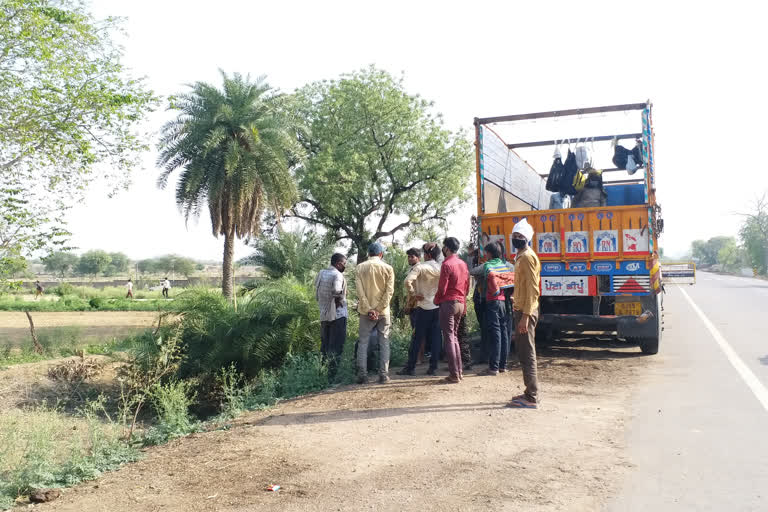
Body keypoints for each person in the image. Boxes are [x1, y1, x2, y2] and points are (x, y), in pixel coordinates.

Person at [507, 219, 542, 409]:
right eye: (515, 236)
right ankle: (529, 391)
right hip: (521, 308)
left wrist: (525, 317)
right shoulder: (520, 256)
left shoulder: (527, 257)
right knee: (523, 352)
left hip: (526, 312)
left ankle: (532, 396)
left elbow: (533, 290)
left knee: (527, 353)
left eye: (520, 237)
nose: (517, 239)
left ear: (527, 238)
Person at [398, 242, 441, 376]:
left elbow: (407, 281)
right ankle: (433, 367)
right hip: (437, 306)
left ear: (427, 255)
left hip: (423, 307)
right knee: (436, 338)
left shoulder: (421, 267)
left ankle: (410, 367)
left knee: (417, 338)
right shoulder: (440, 267)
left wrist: (413, 294)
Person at [355, 242, 395, 384]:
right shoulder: (388, 268)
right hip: (383, 312)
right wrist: (378, 309)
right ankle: (383, 375)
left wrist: (369, 309)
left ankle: (362, 375)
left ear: (368, 253)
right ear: (381, 254)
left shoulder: (360, 268)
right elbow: (389, 292)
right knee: (384, 341)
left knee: (363, 342)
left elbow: (360, 292)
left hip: (366, 313)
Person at [433, 237, 469, 384]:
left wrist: (437, 299)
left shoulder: (446, 264)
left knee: (449, 337)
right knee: (454, 336)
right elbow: (466, 286)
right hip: (460, 302)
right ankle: (458, 372)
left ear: (447, 248)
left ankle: (454, 374)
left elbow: (442, 288)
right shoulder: (463, 263)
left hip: (449, 302)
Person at [475, 242, 511, 376]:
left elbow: (475, 272)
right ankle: (503, 365)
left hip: (492, 302)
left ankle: (493, 367)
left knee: (495, 333)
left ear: (489, 253)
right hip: (503, 301)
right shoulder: (504, 265)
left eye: (486, 253)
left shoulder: (488, 265)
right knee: (503, 332)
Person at [314, 253, 348, 378]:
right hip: (337, 316)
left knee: (325, 346)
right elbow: (336, 290)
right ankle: (332, 376)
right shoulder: (337, 275)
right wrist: (339, 299)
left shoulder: (321, 273)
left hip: (324, 315)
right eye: (344, 264)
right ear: (338, 263)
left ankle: (321, 373)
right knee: (336, 346)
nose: (345, 266)